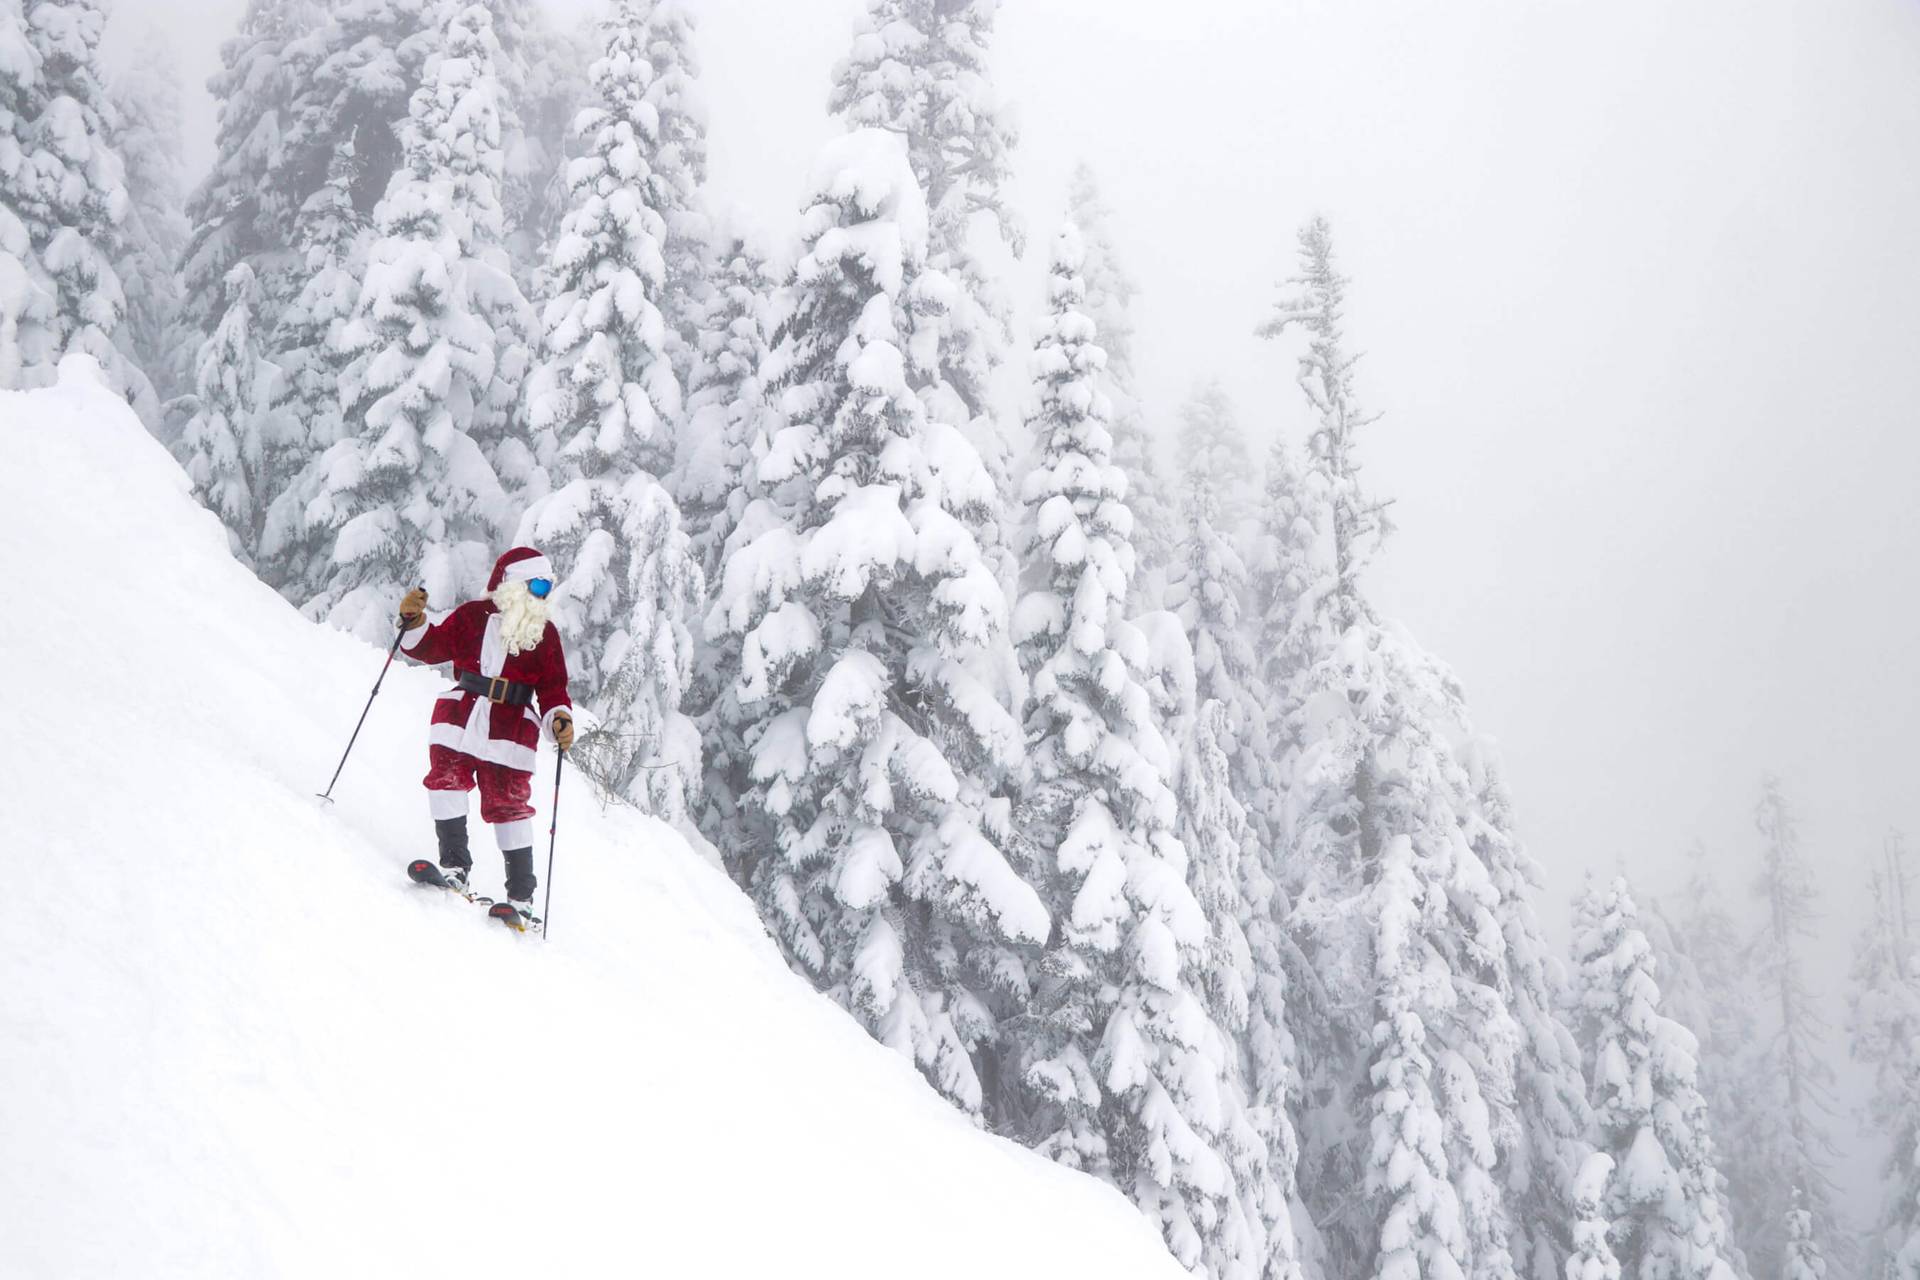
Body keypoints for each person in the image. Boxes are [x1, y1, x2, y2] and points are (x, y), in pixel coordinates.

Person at [396, 546, 574, 925]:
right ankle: (454, 867)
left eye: (547, 588)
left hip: (510, 731)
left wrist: (559, 718)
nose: (542, 596)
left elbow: (554, 689)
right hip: (461, 715)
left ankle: (521, 897)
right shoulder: (472, 617)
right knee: (445, 781)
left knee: (507, 805)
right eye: (537, 585)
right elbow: (432, 647)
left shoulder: (545, 635)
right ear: (512, 584)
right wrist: (414, 623)